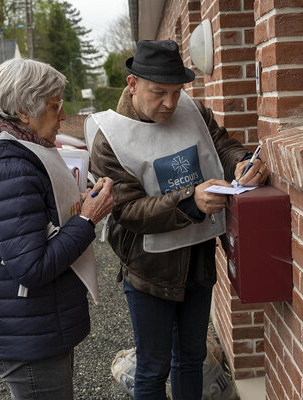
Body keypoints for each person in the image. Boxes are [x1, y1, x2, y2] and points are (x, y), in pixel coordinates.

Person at [85, 40, 269, 399]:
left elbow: (220, 145)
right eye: (159, 92)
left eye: (177, 91)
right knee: (153, 368)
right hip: (149, 271)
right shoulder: (109, 138)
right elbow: (128, 210)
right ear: (132, 84)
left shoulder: (192, 109)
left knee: (192, 359)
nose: (170, 103)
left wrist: (242, 162)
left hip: (197, 259)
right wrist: (191, 201)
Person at [0, 58, 114, 399]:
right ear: (23, 111)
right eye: (55, 106)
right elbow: (31, 267)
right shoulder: (9, 166)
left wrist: (77, 203)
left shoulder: (13, 152)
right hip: (28, 334)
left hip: (31, 326)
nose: (63, 117)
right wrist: (87, 219)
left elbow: (32, 223)